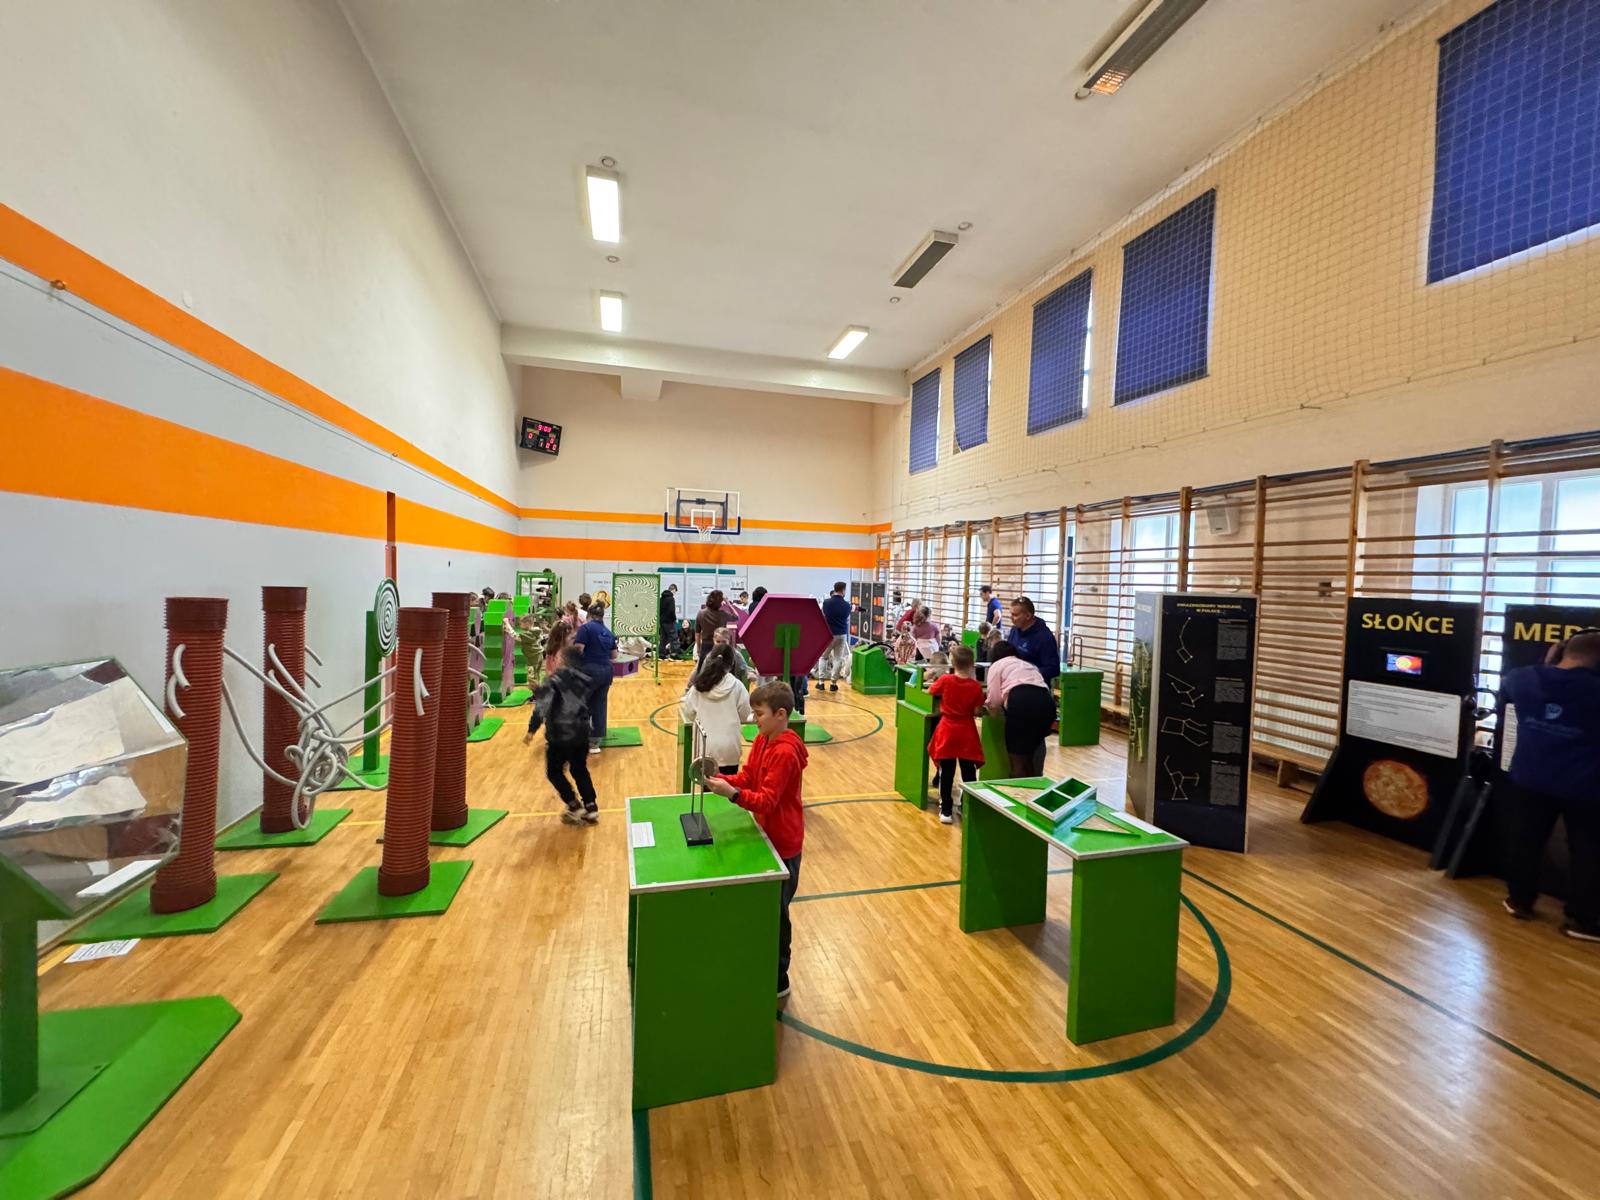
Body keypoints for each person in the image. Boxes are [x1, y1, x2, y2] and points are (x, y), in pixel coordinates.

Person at [705, 681, 807, 999]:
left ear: (781, 714)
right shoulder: (763, 739)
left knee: (777, 917)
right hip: (765, 835)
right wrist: (720, 779)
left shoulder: (785, 753)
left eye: (759, 713)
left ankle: (779, 978)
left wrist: (732, 794)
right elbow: (749, 777)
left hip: (784, 845)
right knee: (763, 912)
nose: (753, 719)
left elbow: (766, 801)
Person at [1498, 630, 1600, 942]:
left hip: (1530, 777)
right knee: (1587, 851)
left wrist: (1549, 662)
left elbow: (1509, 691)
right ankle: (1582, 920)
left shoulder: (1522, 678)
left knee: (1526, 840)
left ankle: (1519, 900)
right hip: (1585, 786)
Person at [524, 645, 599, 825]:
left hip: (560, 734)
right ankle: (591, 806)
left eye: (558, 657)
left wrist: (532, 729)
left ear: (564, 661)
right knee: (579, 768)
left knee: (554, 772)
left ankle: (573, 805)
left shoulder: (553, 681)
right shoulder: (584, 679)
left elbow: (542, 707)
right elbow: (572, 700)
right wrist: (541, 691)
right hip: (581, 732)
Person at [929, 645, 985, 824]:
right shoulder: (976, 687)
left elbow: (931, 690)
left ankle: (946, 810)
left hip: (948, 730)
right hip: (967, 731)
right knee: (969, 772)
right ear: (972, 664)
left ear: (953, 663)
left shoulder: (946, 680)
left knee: (946, 772)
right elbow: (977, 711)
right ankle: (966, 806)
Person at [680, 644, 753, 774]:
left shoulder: (699, 686)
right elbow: (746, 715)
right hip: (730, 750)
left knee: (706, 787)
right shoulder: (737, 686)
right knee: (729, 786)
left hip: (705, 748)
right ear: (731, 664)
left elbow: (689, 712)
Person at [985, 643, 1053, 776]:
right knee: (1035, 747)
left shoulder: (997, 665)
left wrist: (992, 713)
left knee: (1017, 757)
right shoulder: (1028, 665)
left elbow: (994, 700)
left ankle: (1018, 785)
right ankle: (1036, 781)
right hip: (1046, 702)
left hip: (1020, 701)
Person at [572, 601, 616, 753]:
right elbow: (614, 655)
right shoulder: (608, 632)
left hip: (588, 671)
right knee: (599, 706)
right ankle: (595, 743)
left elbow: (578, 649)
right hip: (606, 672)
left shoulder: (585, 628)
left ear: (589, 615)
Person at [1006, 597, 1060, 686]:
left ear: (1028, 616)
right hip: (1014, 683)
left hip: (1035, 687)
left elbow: (1053, 669)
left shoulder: (1044, 637)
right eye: (1011, 614)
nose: (1011, 618)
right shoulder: (1014, 630)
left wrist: (1028, 673)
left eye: (1015, 615)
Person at [819, 581, 852, 691]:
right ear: (843, 590)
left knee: (823, 657)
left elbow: (822, 615)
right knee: (838, 659)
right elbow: (847, 618)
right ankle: (833, 684)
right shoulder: (847, 605)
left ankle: (821, 682)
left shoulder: (826, 603)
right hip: (842, 634)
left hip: (828, 634)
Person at [696, 589, 731, 660]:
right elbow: (736, 616)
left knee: (703, 666)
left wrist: (698, 648)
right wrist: (728, 603)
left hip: (705, 645)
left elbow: (697, 633)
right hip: (721, 645)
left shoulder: (701, 613)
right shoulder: (723, 614)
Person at [659, 584, 678, 655]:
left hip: (662, 621)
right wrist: (674, 619)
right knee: (674, 637)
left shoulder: (662, 598)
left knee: (663, 638)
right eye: (675, 592)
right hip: (669, 621)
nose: (675, 593)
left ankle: (661, 653)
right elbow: (671, 611)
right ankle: (674, 653)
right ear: (674, 590)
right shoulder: (671, 598)